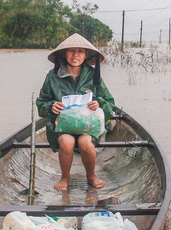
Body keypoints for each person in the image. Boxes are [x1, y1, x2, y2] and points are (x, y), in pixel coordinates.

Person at [36, 33, 115, 191]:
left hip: (88, 126)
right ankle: (65, 177)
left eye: (80, 51)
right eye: (71, 50)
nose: (75, 55)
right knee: (67, 142)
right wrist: (51, 106)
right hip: (62, 127)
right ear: (64, 54)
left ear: (86, 55)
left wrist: (99, 103)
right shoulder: (52, 77)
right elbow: (41, 103)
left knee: (85, 142)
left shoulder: (93, 75)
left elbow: (110, 104)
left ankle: (91, 176)